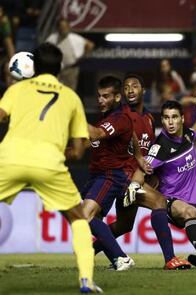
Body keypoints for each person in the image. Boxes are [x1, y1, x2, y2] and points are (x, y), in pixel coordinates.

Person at [0, 43, 101, 293]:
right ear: (60, 67)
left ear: (33, 66)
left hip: (10, 157)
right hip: (49, 163)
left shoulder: (17, 88)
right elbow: (78, 150)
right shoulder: (71, 97)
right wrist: (55, 152)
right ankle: (86, 280)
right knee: (77, 217)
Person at [93, 74, 191, 270]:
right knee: (159, 201)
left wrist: (151, 174)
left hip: (136, 175)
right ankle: (170, 259)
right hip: (125, 176)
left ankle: (89, 249)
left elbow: (148, 151)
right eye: (126, 87)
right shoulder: (121, 116)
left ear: (143, 91)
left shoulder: (147, 117)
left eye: (135, 86)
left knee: (124, 225)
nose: (130, 90)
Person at [129, 91, 196, 270]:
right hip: (174, 202)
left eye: (174, 117)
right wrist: (135, 185)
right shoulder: (160, 147)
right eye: (166, 118)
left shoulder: (188, 137)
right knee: (189, 212)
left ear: (182, 118)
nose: (170, 122)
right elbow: (142, 168)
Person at [82, 76, 139, 271]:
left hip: (111, 175)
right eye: (99, 96)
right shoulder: (105, 119)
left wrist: (72, 115)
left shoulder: (120, 118)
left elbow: (96, 134)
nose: (100, 100)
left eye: (106, 96)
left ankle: (120, 257)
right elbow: (86, 143)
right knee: (93, 219)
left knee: (86, 214)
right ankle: (118, 259)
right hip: (97, 175)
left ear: (117, 97)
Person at [46, 18, 94, 91]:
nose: (63, 29)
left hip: (71, 69)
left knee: (70, 90)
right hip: (57, 69)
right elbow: (45, 49)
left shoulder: (74, 38)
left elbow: (90, 44)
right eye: (61, 27)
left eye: (65, 27)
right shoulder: (52, 38)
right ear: (58, 28)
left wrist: (83, 56)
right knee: (55, 89)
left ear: (68, 27)